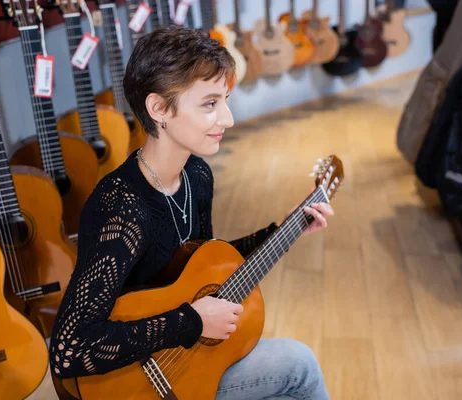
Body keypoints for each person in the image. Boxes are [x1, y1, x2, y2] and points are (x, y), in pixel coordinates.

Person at [49, 25, 333, 400]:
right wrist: (193, 320)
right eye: (210, 104)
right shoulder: (121, 208)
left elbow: (202, 266)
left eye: (225, 100)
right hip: (138, 382)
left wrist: (284, 229)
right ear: (159, 109)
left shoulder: (196, 175)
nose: (228, 119)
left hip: (187, 362)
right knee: (300, 366)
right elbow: (70, 349)